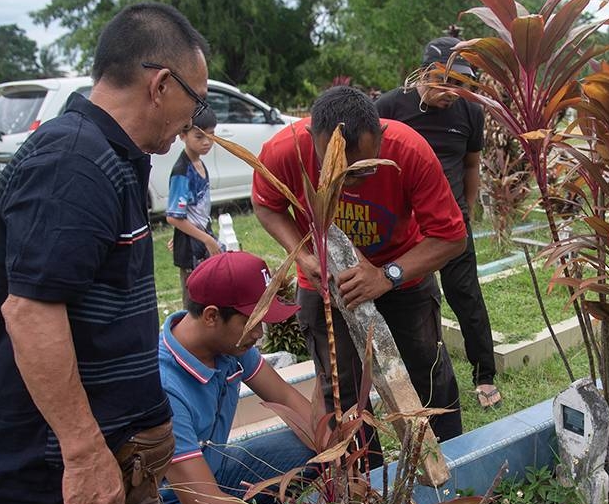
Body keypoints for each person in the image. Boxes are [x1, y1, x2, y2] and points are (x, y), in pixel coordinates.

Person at [0, 2, 209, 504]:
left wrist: (145, 433)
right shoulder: (72, 164)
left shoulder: (116, 158)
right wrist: (84, 453)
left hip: (122, 460)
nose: (192, 121)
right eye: (195, 100)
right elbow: (30, 314)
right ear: (160, 85)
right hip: (55, 474)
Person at [252, 85, 468, 456]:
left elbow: (451, 238)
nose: (350, 181)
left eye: (363, 169)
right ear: (311, 139)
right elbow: (266, 205)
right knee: (343, 392)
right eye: (337, 169)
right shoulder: (285, 150)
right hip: (324, 286)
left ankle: (456, 461)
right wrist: (303, 256)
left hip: (404, 278)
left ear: (381, 136)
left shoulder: (409, 150)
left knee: (428, 375)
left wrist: (387, 276)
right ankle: (367, 479)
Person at [159, 251, 317, 504]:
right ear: (212, 316)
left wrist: (337, 453)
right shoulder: (164, 386)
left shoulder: (228, 345)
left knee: (308, 449)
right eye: (254, 322)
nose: (261, 334)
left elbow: (288, 400)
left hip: (210, 475)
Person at [376, 36, 502, 408]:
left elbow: (471, 164)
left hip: (450, 225)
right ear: (425, 72)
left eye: (462, 84)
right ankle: (398, 380)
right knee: (406, 304)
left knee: (466, 297)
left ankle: (484, 376)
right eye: (446, 81)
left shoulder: (469, 113)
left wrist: (468, 209)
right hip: (405, 229)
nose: (453, 92)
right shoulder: (389, 106)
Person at [166, 107, 223, 306]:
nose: (207, 142)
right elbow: (174, 216)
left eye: (211, 135)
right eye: (199, 136)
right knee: (194, 304)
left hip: (199, 241)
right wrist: (207, 240)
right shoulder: (182, 171)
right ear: (183, 135)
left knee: (211, 296)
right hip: (192, 250)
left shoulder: (198, 163)